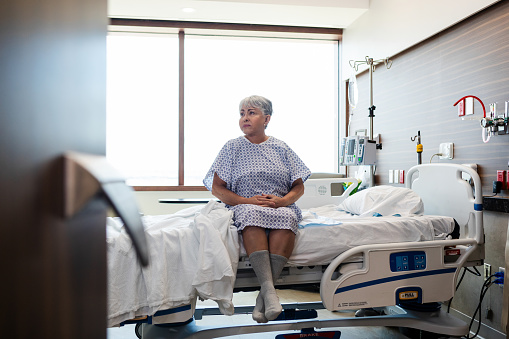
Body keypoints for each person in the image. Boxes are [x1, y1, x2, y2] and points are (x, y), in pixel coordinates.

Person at [203, 95, 311, 323]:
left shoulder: (281, 147)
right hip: (245, 205)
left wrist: (282, 201)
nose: (245, 118)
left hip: (279, 205)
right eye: (242, 113)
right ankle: (270, 293)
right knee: (250, 214)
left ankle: (264, 297)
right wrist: (246, 200)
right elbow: (217, 188)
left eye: (251, 112)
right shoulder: (232, 147)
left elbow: (298, 187)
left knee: (287, 216)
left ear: (267, 118)